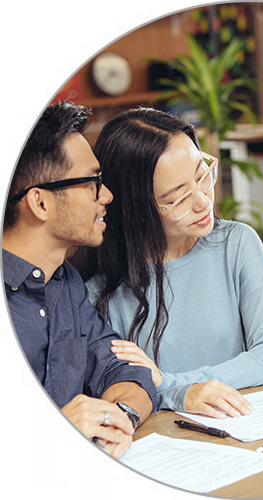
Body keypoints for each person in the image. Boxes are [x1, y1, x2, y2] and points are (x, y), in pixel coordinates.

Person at [71, 107, 263, 419]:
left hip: (245, 423)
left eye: (202, 177)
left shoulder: (237, 244)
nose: (203, 201)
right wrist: (180, 395)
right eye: (177, 199)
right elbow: (118, 391)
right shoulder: (98, 291)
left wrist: (175, 387)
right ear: (135, 208)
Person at [3, 101, 156, 458]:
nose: (107, 196)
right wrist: (51, 433)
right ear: (40, 204)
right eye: (92, 182)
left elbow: (126, 371)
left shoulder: (65, 283)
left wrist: (120, 417)